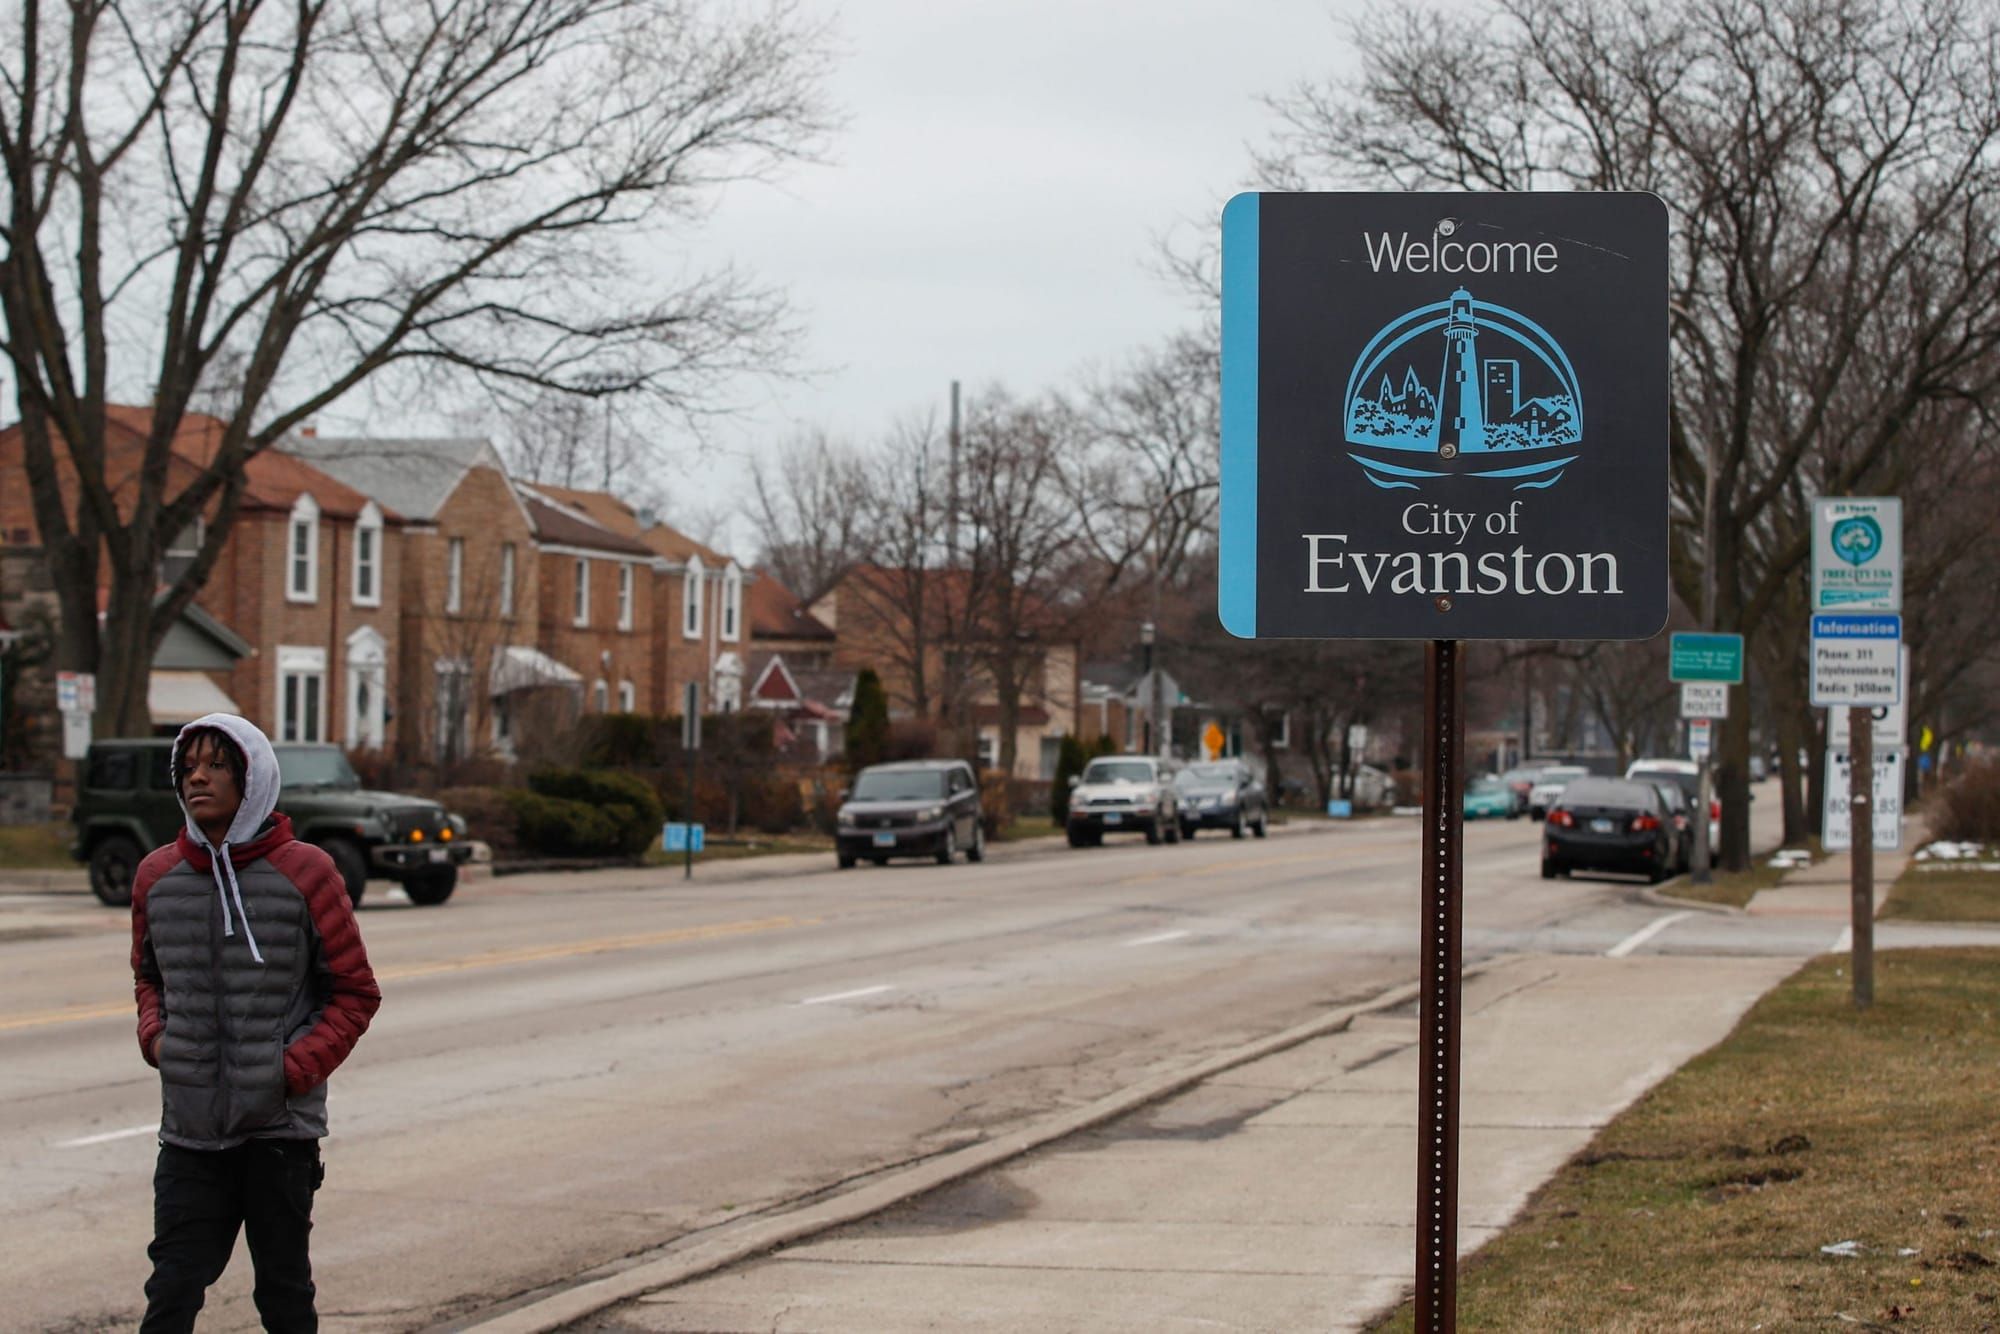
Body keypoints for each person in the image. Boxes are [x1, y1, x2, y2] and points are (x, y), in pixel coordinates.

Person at [130, 713, 382, 1331]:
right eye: (188, 767)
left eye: (217, 765)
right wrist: (157, 1039)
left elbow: (354, 991)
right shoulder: (156, 878)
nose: (199, 778)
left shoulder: (308, 872)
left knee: (284, 1296)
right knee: (171, 1292)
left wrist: (290, 1070)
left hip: (278, 1132)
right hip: (189, 1132)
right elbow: (148, 976)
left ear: (254, 777)